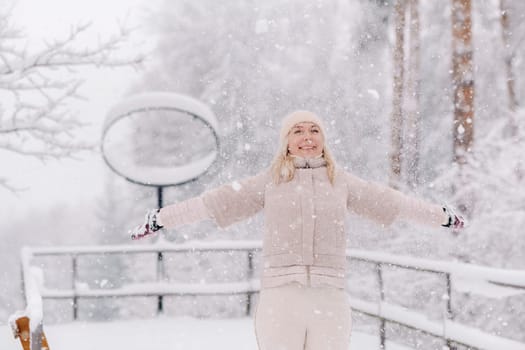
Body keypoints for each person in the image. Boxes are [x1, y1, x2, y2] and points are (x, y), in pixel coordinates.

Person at [130, 110, 464, 350]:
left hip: (329, 297)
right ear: (287, 142)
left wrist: (440, 216)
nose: (307, 136)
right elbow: (211, 203)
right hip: (280, 298)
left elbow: (393, 202)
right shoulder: (269, 182)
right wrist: (162, 217)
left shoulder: (341, 182)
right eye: (298, 131)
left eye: (314, 130)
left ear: (323, 140)